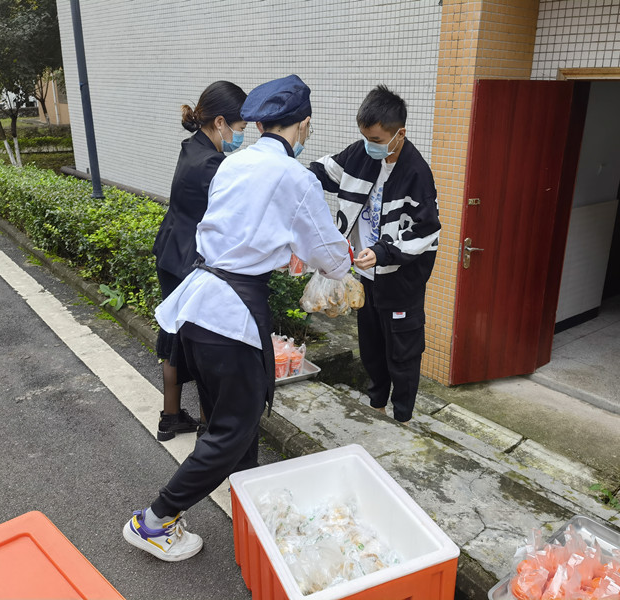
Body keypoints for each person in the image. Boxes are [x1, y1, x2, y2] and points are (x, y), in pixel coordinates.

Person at [123, 75, 351, 562]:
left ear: (260, 122)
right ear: (303, 124)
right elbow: (331, 258)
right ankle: (154, 520)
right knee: (234, 429)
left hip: (200, 302)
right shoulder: (295, 177)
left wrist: (286, 247)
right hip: (234, 314)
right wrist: (348, 259)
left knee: (229, 426)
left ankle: (250, 514)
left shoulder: (233, 163)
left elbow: (243, 232)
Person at [310, 85, 440, 424]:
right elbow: (323, 172)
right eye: (366, 137)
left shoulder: (417, 173)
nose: (371, 145)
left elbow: (426, 232)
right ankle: (376, 406)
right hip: (365, 276)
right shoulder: (359, 154)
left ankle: (403, 417)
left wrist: (382, 252)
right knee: (371, 348)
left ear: (400, 134)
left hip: (400, 281)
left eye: (378, 140)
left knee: (403, 351)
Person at [151, 81, 248, 441]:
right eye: (240, 129)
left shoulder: (193, 147)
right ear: (220, 122)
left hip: (171, 251)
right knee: (203, 341)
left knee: (174, 337)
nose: (242, 137)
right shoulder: (211, 164)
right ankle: (210, 425)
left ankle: (171, 417)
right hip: (189, 262)